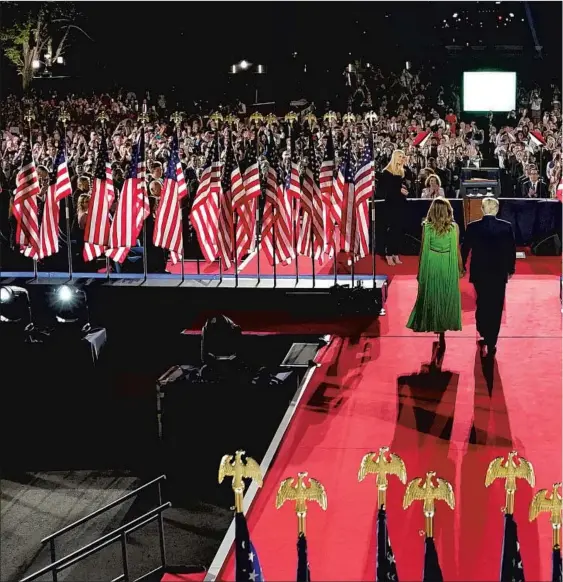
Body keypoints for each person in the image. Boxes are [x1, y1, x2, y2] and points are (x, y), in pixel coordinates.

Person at [461, 197, 516, 357]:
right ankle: (492, 338)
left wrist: (462, 265)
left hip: (479, 271)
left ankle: (482, 329)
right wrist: (510, 269)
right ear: (496, 210)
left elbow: (465, 248)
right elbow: (511, 250)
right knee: (496, 304)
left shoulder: (473, 227)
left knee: (482, 300)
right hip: (499, 272)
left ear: (483, 209)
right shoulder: (506, 227)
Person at [406, 197, 463, 351]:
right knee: (446, 294)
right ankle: (443, 328)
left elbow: (423, 250)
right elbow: (456, 249)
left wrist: (420, 271)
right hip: (447, 263)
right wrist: (461, 267)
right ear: (447, 210)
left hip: (432, 262)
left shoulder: (427, 227)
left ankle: (435, 324)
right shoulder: (454, 227)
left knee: (432, 294)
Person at [378, 149, 409, 266]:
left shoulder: (401, 172)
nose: (402, 159)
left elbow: (401, 185)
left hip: (400, 204)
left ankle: (395, 253)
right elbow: (384, 190)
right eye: (400, 157)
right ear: (395, 157)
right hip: (391, 205)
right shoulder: (386, 172)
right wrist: (399, 190)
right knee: (391, 230)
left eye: (403, 157)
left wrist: (403, 190)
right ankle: (389, 254)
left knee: (398, 230)